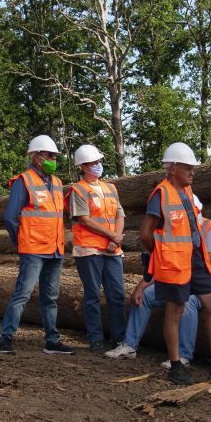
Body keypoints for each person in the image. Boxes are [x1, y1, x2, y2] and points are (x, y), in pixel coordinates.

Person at [139, 142, 211, 385]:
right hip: (173, 263)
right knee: (176, 310)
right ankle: (176, 365)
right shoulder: (160, 194)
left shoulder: (188, 192)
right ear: (172, 168)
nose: (192, 172)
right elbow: (145, 234)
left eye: (193, 168)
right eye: (188, 167)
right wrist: (160, 255)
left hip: (196, 258)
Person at [0, 136, 74, 355]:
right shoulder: (24, 180)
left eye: (55, 156)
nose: (53, 159)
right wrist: (20, 241)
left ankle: (52, 340)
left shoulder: (58, 183)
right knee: (22, 294)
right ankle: (5, 338)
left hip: (55, 249)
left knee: (51, 297)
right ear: (37, 157)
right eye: (50, 155)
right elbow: (11, 217)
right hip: (33, 250)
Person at [69, 143, 126, 354]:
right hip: (89, 250)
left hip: (112, 249)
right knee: (93, 295)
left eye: (98, 162)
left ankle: (119, 337)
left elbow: (120, 215)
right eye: (93, 163)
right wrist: (111, 235)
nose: (97, 165)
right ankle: (95, 338)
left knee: (117, 295)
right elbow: (83, 219)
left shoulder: (110, 188)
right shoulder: (78, 189)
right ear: (83, 166)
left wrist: (116, 238)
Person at [107, 283, 200, 364]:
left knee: (186, 300)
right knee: (144, 294)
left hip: (202, 287)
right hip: (176, 284)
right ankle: (129, 345)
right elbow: (155, 271)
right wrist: (139, 288)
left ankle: (184, 356)